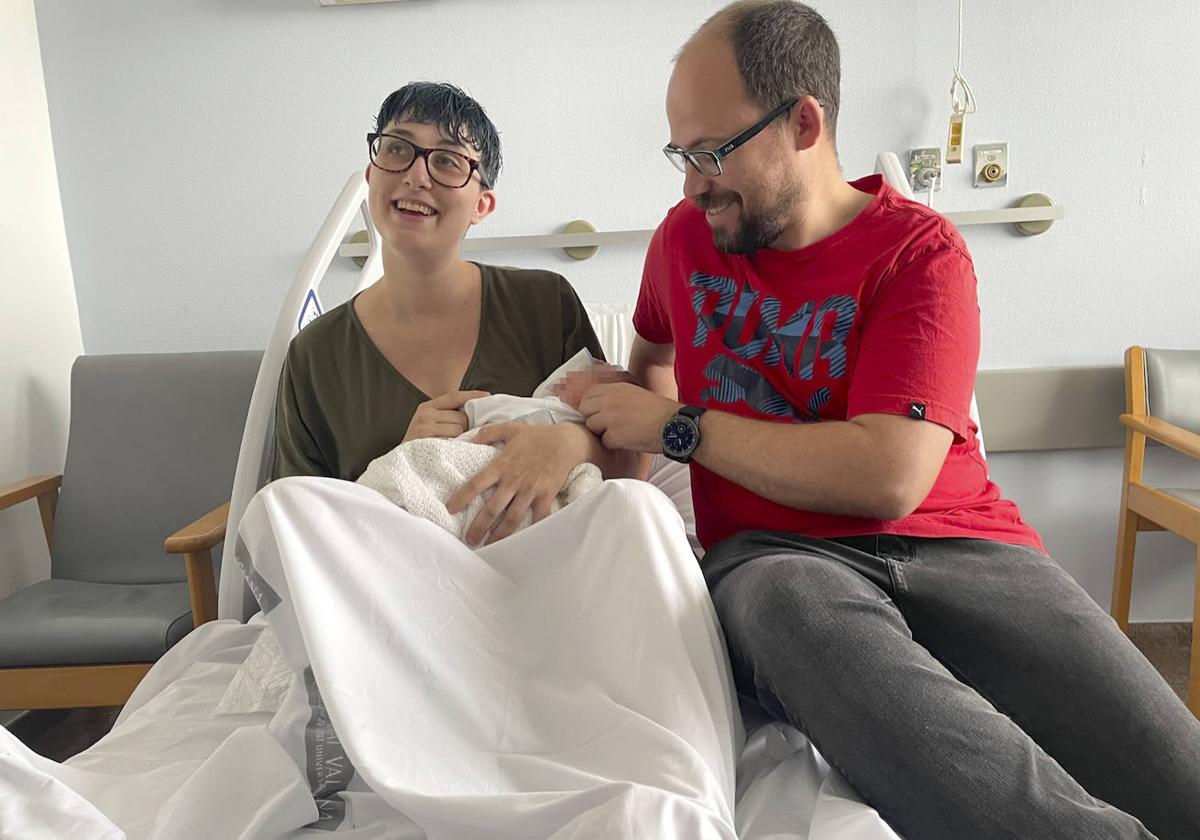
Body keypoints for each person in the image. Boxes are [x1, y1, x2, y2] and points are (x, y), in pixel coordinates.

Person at [576, 2, 1200, 838]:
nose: (691, 183)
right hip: (775, 559)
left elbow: (886, 478)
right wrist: (629, 470)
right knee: (789, 607)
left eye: (711, 153)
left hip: (968, 547)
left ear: (804, 123)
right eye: (680, 153)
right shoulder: (684, 241)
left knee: (1177, 776)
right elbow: (648, 359)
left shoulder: (921, 255)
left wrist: (679, 428)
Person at [272, 81, 631, 546]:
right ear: (371, 175)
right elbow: (295, 526)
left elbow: (628, 452)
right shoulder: (315, 356)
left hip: (546, 577)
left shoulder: (545, 304)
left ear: (482, 204)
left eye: (447, 160)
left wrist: (567, 445)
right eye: (398, 149)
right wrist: (401, 462)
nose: (416, 176)